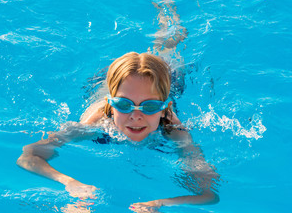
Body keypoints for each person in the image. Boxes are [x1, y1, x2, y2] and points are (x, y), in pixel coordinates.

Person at [17, 52, 220, 212]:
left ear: (164, 106)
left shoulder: (174, 131)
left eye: (149, 107)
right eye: (124, 105)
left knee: (170, 48)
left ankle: (166, 8)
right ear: (111, 105)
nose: (135, 115)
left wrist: (160, 203)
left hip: (168, 78)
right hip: (104, 82)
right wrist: (70, 183)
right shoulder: (93, 124)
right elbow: (28, 156)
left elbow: (208, 194)